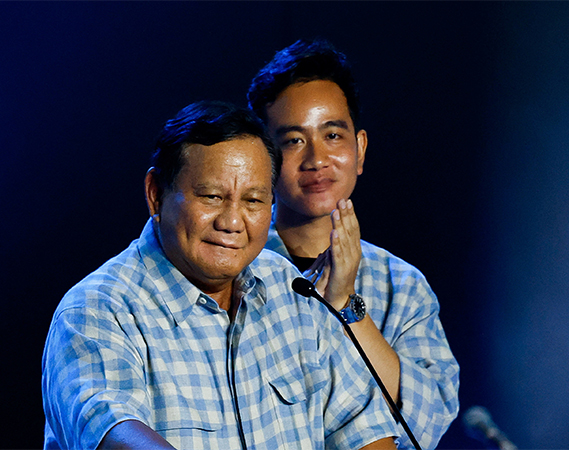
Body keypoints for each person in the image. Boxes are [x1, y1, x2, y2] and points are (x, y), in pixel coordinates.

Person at [41, 101, 400, 450]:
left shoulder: (288, 287)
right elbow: (114, 432)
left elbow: (361, 425)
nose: (232, 222)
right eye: (212, 196)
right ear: (155, 195)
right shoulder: (97, 310)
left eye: (254, 201)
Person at [247, 39, 460, 449]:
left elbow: (427, 423)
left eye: (332, 135)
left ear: (359, 149)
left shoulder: (402, 284)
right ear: (263, 158)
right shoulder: (234, 270)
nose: (316, 159)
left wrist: (346, 304)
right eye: (293, 140)